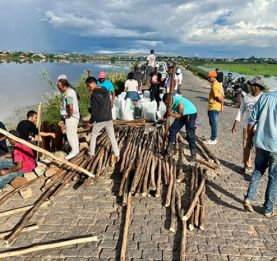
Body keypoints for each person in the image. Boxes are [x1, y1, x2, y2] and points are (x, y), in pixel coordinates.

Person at [243, 89, 277, 217]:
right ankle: (268, 209)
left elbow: (252, 120)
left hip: (261, 141)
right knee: (274, 177)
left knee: (258, 170)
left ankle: (248, 198)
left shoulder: (265, 97)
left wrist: (249, 139)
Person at [231, 77, 264, 174]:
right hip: (247, 126)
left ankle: (258, 170)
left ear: (259, 87)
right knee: (246, 147)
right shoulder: (247, 97)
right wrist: (235, 123)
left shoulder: (264, 98)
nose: (252, 87)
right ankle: (247, 165)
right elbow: (241, 110)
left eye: (254, 85)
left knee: (259, 149)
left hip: (260, 128)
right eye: (251, 85)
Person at [86, 76, 120, 161]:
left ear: (93, 83)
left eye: (88, 86)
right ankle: (117, 154)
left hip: (100, 120)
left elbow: (94, 111)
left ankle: (91, 154)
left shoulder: (94, 95)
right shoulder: (105, 89)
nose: (88, 88)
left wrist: (91, 121)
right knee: (112, 136)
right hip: (108, 117)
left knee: (93, 136)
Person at [163, 93, 198, 161]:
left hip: (190, 113)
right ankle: (169, 149)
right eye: (165, 103)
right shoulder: (168, 102)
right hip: (182, 114)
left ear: (171, 100)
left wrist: (172, 114)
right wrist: (163, 118)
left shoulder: (180, 103)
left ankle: (193, 155)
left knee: (190, 135)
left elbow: (180, 115)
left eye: (167, 103)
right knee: (172, 129)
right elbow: (168, 111)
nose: (166, 105)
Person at [57, 78, 80, 160]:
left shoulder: (68, 94)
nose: (58, 89)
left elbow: (70, 106)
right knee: (73, 133)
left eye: (59, 87)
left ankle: (74, 151)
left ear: (64, 86)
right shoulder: (70, 91)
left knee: (70, 134)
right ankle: (76, 149)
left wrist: (69, 115)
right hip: (74, 116)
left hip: (72, 117)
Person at [205, 71, 224, 145]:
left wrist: (222, 103)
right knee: (212, 123)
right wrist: (222, 106)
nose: (208, 79)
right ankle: (212, 137)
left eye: (209, 77)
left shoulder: (215, 86)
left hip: (214, 107)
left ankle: (213, 139)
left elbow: (219, 97)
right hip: (215, 107)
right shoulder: (218, 84)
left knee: (213, 124)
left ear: (213, 77)